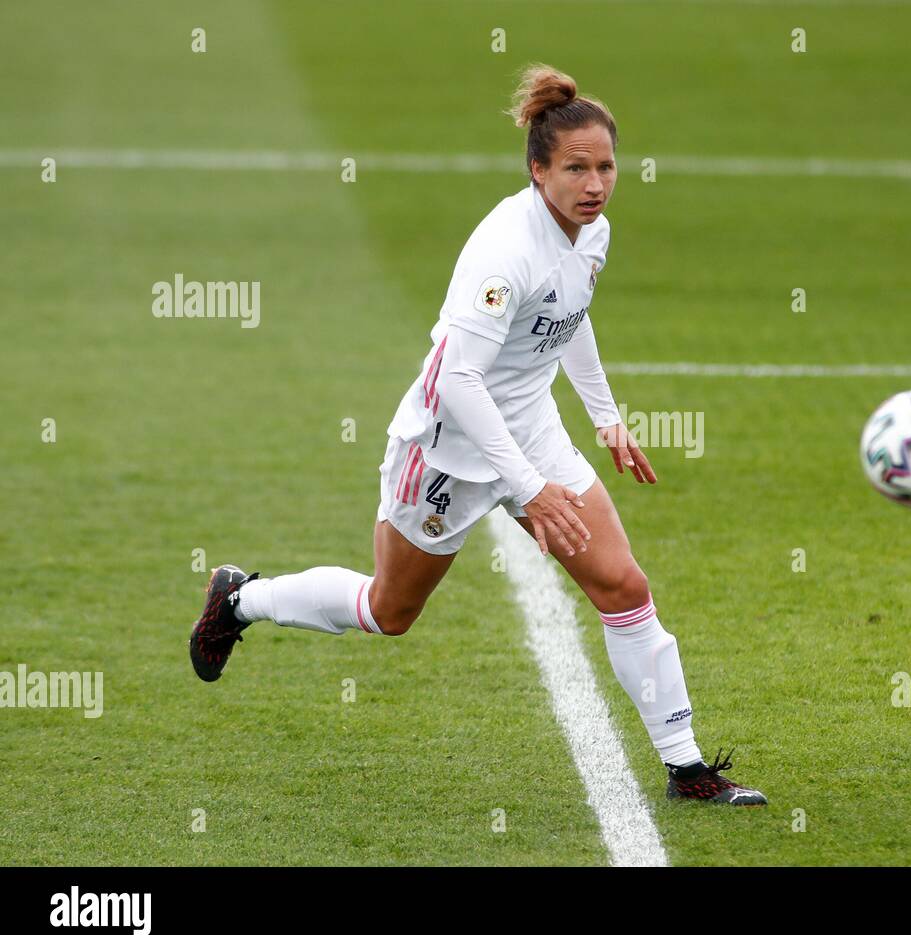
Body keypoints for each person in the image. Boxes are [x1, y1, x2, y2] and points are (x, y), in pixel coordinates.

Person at [189, 64, 765, 806]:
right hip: (445, 446)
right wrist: (528, 487)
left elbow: (571, 315)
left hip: (530, 428)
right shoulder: (504, 253)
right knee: (388, 612)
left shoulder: (592, 232)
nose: (595, 184)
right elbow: (459, 381)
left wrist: (605, 415)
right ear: (537, 170)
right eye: (576, 169)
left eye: (606, 167)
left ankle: (688, 768)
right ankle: (241, 600)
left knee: (623, 586)